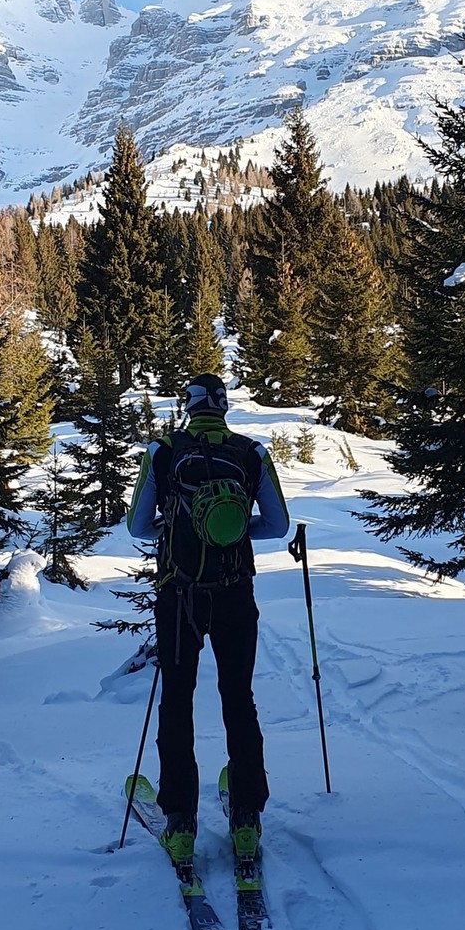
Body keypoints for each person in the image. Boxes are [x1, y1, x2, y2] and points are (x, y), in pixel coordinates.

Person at [126, 373, 290, 870]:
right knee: (238, 698)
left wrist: (177, 524)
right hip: (236, 593)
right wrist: (234, 535)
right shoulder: (251, 453)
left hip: (181, 596)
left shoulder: (163, 451)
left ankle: (179, 823)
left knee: (177, 700)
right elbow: (278, 526)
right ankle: (245, 819)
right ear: (223, 408)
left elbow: (137, 526)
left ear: (188, 406)